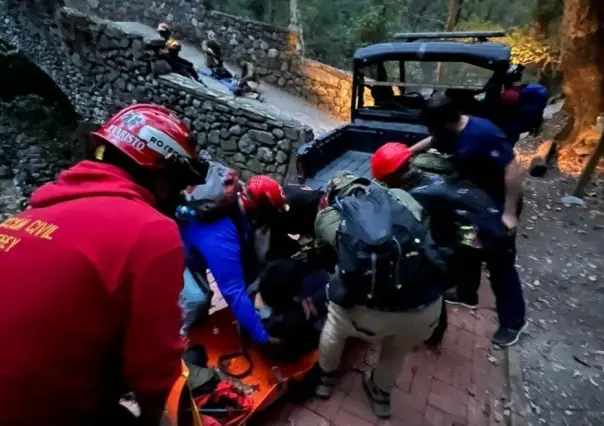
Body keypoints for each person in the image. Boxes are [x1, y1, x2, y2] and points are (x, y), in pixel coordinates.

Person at [0, 104, 210, 426]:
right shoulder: (149, 229)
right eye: (180, 185)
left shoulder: (27, 217)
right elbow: (157, 379)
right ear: (164, 177)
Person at [313, 171, 445, 419]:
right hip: (425, 309)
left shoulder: (329, 218)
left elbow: (329, 252)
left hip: (369, 318)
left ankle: (325, 378)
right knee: (397, 349)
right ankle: (381, 394)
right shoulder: (401, 197)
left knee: (335, 325)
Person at [411, 94, 527, 346]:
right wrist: (408, 152)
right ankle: (467, 293)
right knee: (468, 246)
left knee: (500, 265)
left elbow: (512, 171)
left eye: (431, 125)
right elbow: (434, 140)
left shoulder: (483, 133)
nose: (430, 131)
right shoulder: (448, 131)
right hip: (471, 202)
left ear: (446, 122)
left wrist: (508, 213)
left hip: (497, 204)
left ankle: (513, 322)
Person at [178, 175, 291, 348]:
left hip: (196, 242)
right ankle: (182, 341)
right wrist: (262, 337)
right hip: (177, 253)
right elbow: (232, 291)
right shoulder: (222, 235)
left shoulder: (236, 202)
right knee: (196, 298)